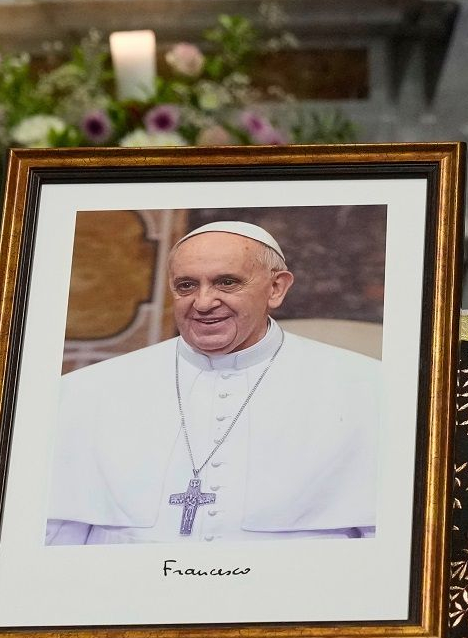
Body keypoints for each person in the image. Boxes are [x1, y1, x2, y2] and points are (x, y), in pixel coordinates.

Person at [46, 221, 379, 544]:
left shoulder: (367, 389)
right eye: (186, 286)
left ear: (276, 288)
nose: (203, 303)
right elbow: (54, 540)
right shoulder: (86, 392)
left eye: (227, 282)